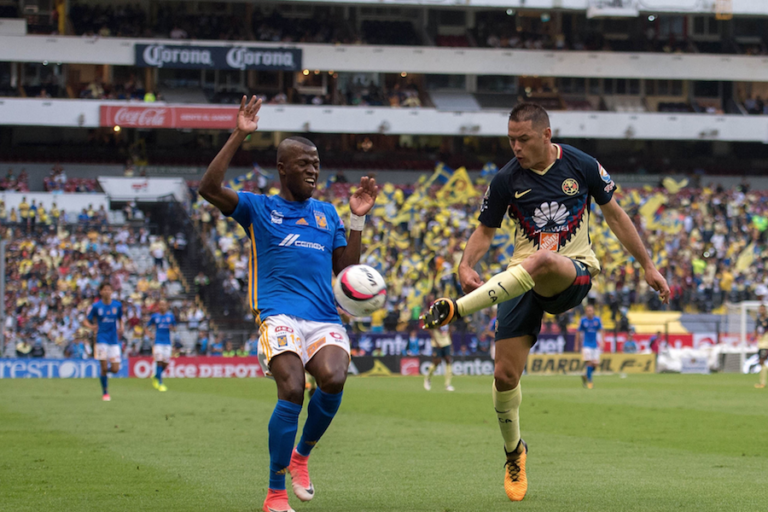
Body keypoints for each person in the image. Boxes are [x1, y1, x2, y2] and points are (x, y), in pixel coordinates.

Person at [422, 103, 670, 502]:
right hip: (518, 281)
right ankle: (514, 452)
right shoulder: (506, 179)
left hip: (572, 271)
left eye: (522, 139)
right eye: (510, 139)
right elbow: (485, 231)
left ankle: (457, 308)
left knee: (544, 259)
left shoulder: (582, 165)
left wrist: (648, 266)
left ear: (546, 135)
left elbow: (617, 217)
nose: (515, 147)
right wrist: (466, 264)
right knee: (504, 375)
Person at [198, 95, 378, 512]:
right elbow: (208, 188)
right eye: (304, 164)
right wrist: (239, 134)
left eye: (316, 165)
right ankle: (275, 493)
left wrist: (357, 219)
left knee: (333, 379)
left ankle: (301, 456)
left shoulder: (327, 213)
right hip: (277, 313)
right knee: (293, 389)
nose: (313, 171)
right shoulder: (258, 208)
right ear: (282, 169)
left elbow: (347, 271)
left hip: (322, 316)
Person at [83, 283, 124, 402]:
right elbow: (86, 320)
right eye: (104, 289)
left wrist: (122, 326)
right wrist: (92, 327)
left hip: (113, 340)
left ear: (112, 291)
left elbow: (120, 318)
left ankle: (104, 374)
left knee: (115, 369)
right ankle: (105, 392)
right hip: (101, 339)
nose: (107, 291)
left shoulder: (117, 305)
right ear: (101, 292)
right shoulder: (96, 306)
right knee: (103, 366)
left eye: (108, 289)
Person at [147, 299, 176, 392]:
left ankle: (156, 376)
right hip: (158, 343)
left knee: (165, 363)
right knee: (159, 361)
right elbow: (146, 327)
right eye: (160, 305)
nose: (162, 306)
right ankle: (160, 383)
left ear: (167, 306)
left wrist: (173, 328)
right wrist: (150, 335)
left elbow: (175, 328)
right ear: (158, 306)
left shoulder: (170, 316)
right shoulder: (155, 316)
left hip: (167, 343)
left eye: (164, 305)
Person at [575, 304, 602, 389]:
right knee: (589, 363)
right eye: (588, 310)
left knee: (595, 364)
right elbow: (578, 332)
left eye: (591, 310)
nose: (589, 312)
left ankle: (586, 375)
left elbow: (602, 330)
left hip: (595, 345)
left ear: (593, 311)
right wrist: (576, 345)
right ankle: (590, 382)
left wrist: (603, 342)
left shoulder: (597, 320)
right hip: (586, 345)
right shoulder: (583, 320)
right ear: (586, 312)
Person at [423, 325, 454, 392]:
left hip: (446, 342)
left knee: (448, 360)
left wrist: (450, 343)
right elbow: (430, 330)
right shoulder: (434, 317)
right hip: (437, 343)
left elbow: (450, 328)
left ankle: (447, 384)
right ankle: (428, 378)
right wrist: (436, 342)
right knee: (437, 362)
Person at [753, 304, 768, 389]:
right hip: (760, 344)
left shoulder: (767, 319)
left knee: (761, 361)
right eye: (760, 309)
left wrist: (763, 335)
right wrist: (755, 335)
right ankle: (762, 382)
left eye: (763, 309)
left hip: (766, 344)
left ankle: (763, 383)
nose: (761, 310)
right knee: (761, 362)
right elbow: (755, 330)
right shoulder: (758, 320)